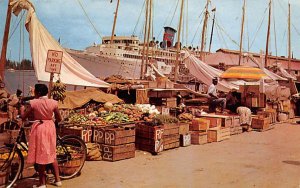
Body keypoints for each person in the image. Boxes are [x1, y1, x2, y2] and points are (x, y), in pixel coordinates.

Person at [21, 84, 62, 188]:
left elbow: (24, 116)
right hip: (50, 127)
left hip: (40, 127)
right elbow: (59, 118)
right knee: (52, 153)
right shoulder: (53, 102)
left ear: (38, 93)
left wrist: (22, 109)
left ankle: (42, 183)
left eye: (34, 91)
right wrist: (53, 121)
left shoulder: (34, 103)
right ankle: (58, 180)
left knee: (41, 155)